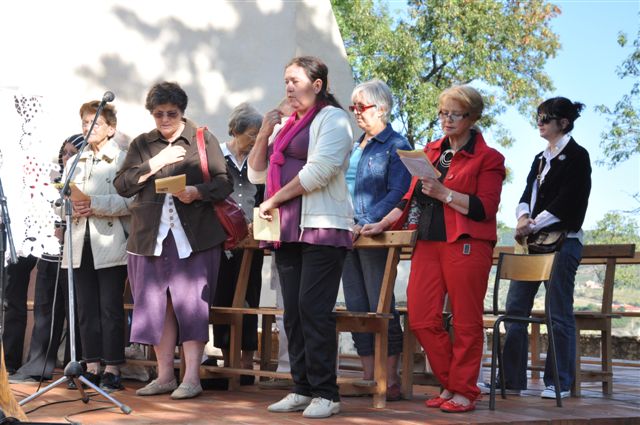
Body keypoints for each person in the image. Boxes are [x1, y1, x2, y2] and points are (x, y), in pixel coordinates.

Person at [362, 85, 505, 413]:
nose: (447, 119)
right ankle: (452, 383)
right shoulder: (429, 151)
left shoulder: (489, 158)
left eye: (456, 114)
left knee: (466, 322)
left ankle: (464, 391)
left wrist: (445, 194)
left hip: (467, 244)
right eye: (443, 113)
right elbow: (408, 198)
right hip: (428, 243)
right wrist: (382, 223)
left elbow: (485, 208)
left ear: (472, 117)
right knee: (421, 318)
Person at [248, 56, 353, 419]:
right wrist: (264, 131)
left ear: (317, 84)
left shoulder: (334, 119)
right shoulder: (286, 126)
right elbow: (256, 174)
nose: (289, 88)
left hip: (323, 227)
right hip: (287, 229)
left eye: (295, 81)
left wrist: (273, 200)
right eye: (286, 82)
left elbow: (320, 171)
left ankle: (327, 393)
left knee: (313, 309)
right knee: (292, 313)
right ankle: (302, 388)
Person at [114, 81, 232, 400]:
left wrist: (197, 192)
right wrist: (156, 162)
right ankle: (165, 376)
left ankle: (191, 378)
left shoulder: (202, 138)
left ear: (182, 112)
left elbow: (224, 182)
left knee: (192, 306)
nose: (165, 119)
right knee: (154, 307)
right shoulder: (142, 143)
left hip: (194, 237)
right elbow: (122, 185)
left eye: (171, 113)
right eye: (158, 114)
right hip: (149, 238)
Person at [495, 97, 591, 399]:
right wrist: (522, 216)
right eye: (538, 117)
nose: (540, 123)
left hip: (563, 243)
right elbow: (527, 193)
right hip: (534, 244)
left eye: (546, 118)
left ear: (564, 122)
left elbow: (568, 202)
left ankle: (559, 383)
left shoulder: (577, 156)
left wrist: (532, 224)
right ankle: (510, 380)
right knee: (515, 310)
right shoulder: (540, 158)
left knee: (557, 312)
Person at [341, 79, 411, 401]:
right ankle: (368, 377)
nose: (356, 112)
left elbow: (399, 192)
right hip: (347, 234)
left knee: (380, 307)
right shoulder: (354, 146)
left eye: (362, 106)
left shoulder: (397, 144)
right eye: (353, 106)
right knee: (356, 308)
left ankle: (390, 378)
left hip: (375, 235)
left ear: (381, 108)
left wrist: (367, 221)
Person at [61, 102, 131, 392]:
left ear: (111, 129)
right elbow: (59, 204)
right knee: (86, 308)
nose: (88, 128)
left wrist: (95, 205)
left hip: (109, 242)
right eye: (85, 122)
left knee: (110, 308)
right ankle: (91, 367)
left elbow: (131, 202)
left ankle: (112, 368)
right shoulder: (74, 162)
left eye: (95, 123)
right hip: (79, 243)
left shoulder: (123, 160)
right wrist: (70, 207)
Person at [9, 135, 83, 383]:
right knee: (45, 311)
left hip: (76, 254)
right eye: (64, 152)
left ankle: (76, 370)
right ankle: (36, 367)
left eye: (73, 153)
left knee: (76, 313)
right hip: (50, 254)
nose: (67, 157)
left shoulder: (87, 180)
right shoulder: (52, 181)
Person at [212, 103, 264, 384]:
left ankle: (246, 363)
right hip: (223, 239)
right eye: (252, 134)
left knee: (250, 297)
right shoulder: (217, 157)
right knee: (223, 295)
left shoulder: (259, 159)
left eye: (259, 134)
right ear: (235, 130)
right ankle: (228, 360)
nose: (256, 140)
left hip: (252, 239)